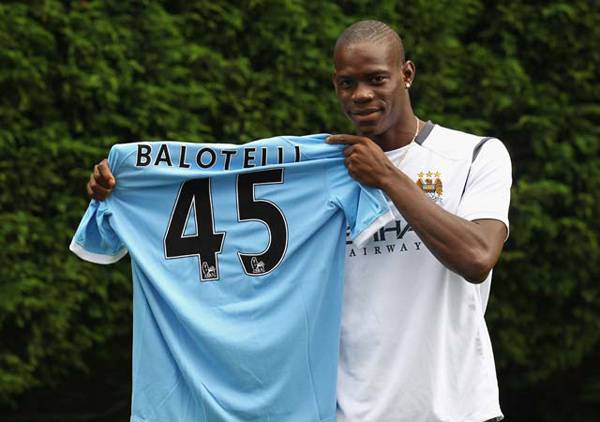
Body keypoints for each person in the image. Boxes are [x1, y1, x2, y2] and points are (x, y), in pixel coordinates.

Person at [87, 20, 511, 422]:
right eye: (347, 83)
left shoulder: (474, 155)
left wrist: (387, 177)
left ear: (407, 74)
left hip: (458, 409)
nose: (361, 94)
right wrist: (130, 187)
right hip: (346, 412)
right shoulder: (319, 172)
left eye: (376, 79)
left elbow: (477, 257)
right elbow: (217, 195)